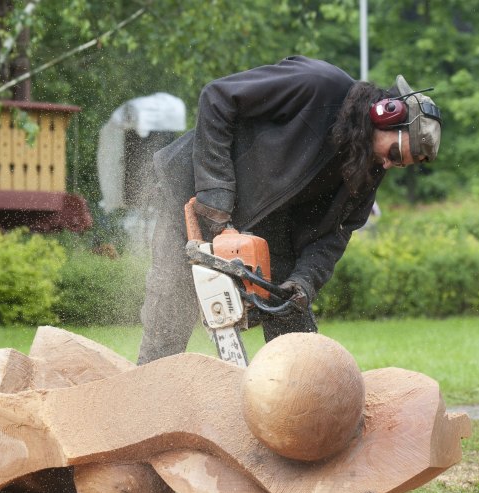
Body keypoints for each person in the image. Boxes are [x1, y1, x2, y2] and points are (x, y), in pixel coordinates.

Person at [137, 55, 442, 365]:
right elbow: (217, 97)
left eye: (400, 163)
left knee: (293, 326)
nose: (389, 164)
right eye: (394, 153)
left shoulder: (367, 170)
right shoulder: (318, 85)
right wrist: (215, 193)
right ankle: (146, 398)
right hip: (193, 193)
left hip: (266, 228)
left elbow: (336, 234)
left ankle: (302, 406)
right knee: (169, 314)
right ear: (384, 114)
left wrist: (303, 283)